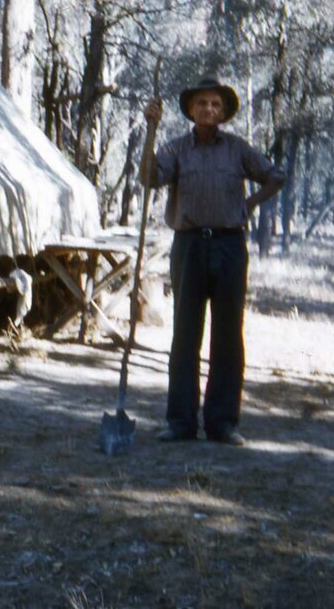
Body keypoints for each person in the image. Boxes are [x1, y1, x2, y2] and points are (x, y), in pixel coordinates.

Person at [139, 75, 285, 446]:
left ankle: (222, 424)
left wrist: (249, 204)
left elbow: (275, 177)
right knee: (185, 335)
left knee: (228, 336)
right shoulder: (175, 149)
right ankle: (181, 423)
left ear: (223, 112)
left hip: (229, 247)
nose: (209, 109)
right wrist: (150, 131)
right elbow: (150, 178)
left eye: (215, 104)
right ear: (190, 110)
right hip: (188, 246)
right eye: (202, 103)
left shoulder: (237, 150)